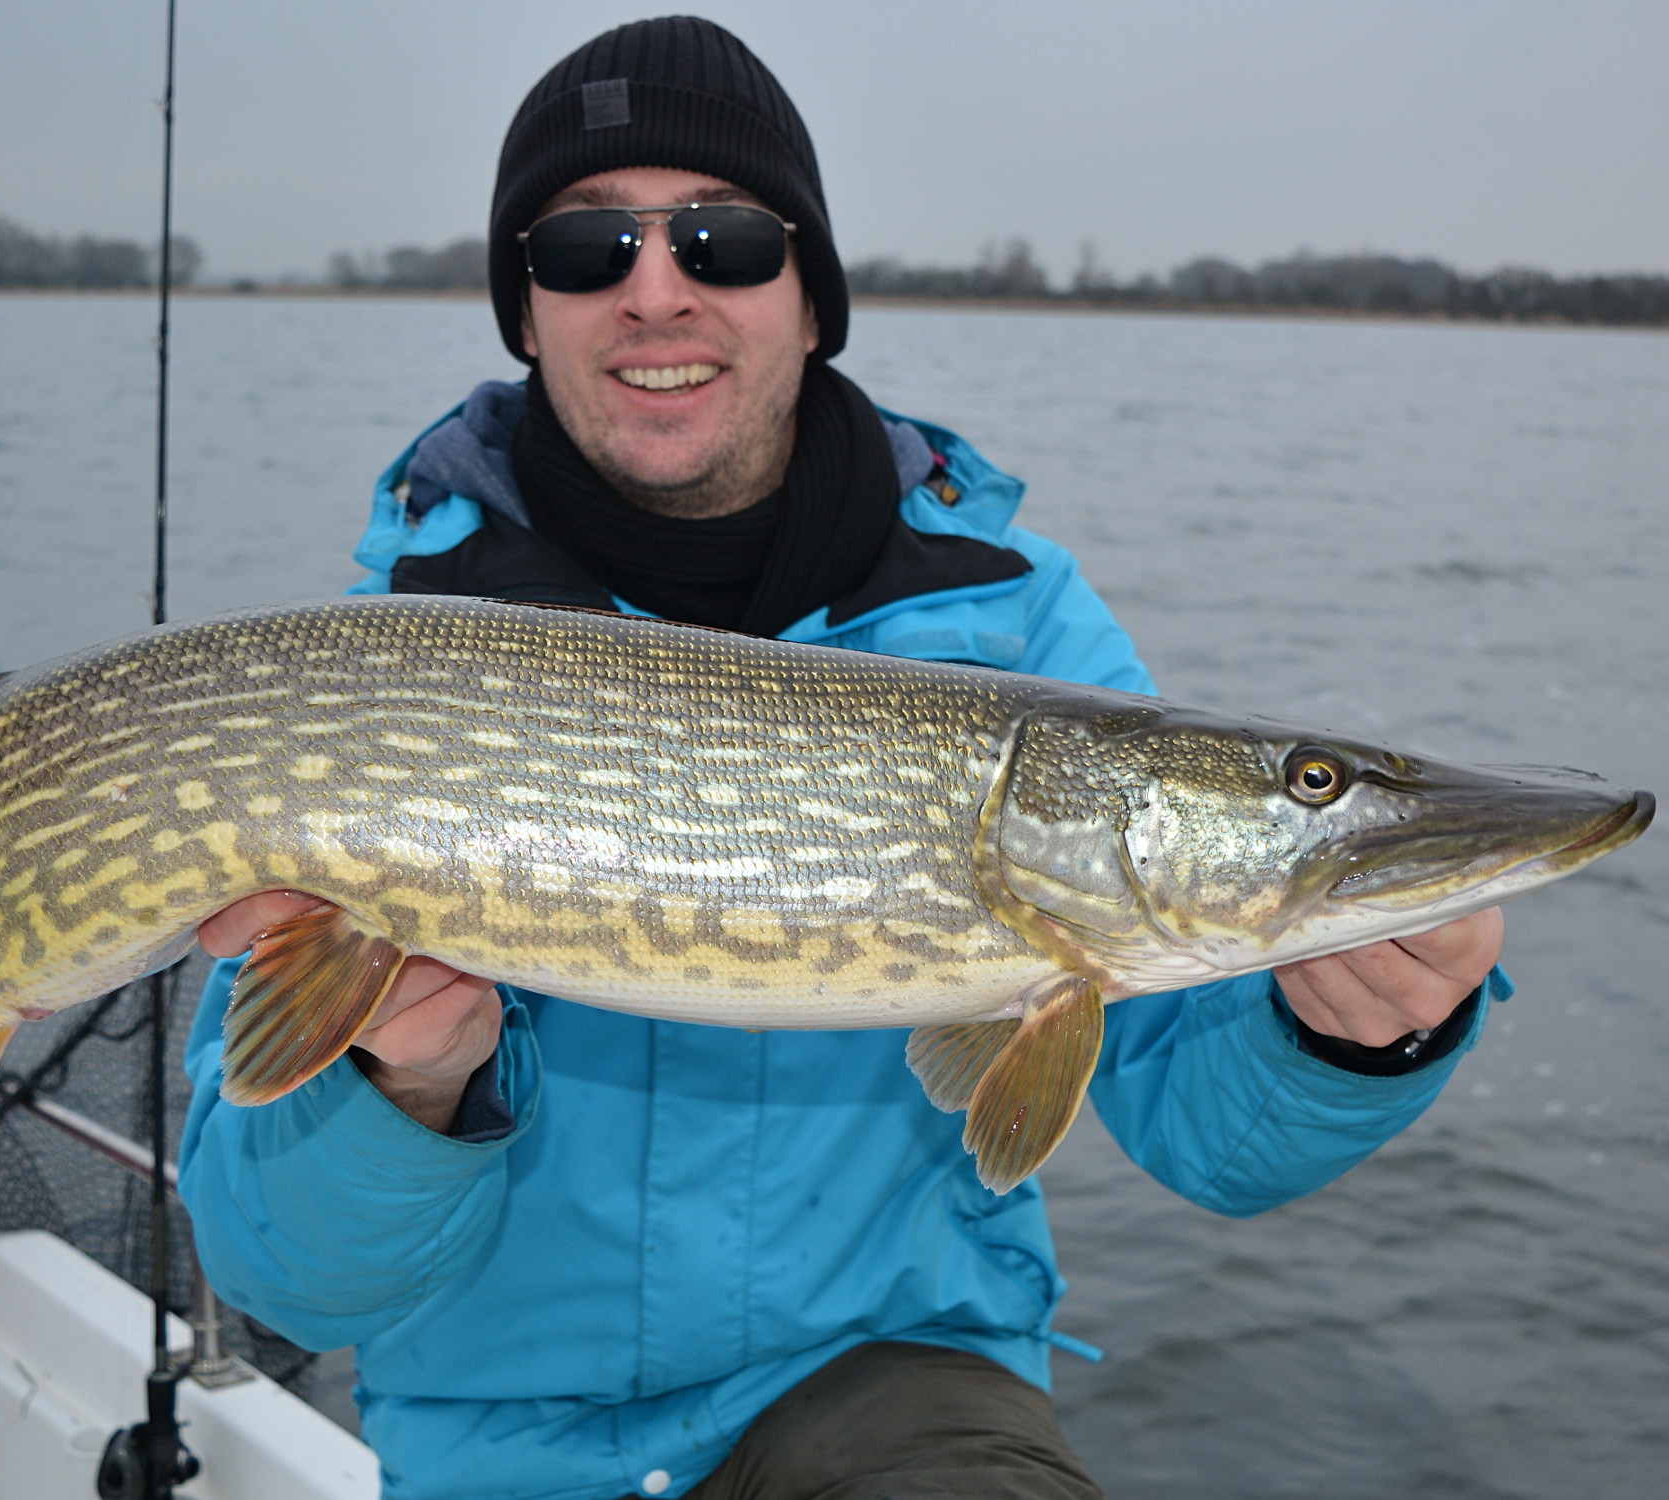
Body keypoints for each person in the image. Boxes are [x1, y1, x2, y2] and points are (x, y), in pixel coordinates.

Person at [179, 18, 1507, 1500]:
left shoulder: (1014, 629)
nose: (656, 288)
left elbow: (1215, 1139)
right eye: (585, 248)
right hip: (511, 1445)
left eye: (726, 238)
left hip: (892, 1394)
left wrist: (1347, 1035)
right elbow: (293, 1285)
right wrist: (397, 1086)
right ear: (527, 310)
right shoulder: (389, 669)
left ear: (811, 297)